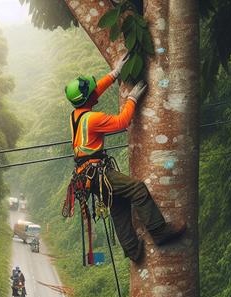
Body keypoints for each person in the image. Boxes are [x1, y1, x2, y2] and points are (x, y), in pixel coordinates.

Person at [65, 52, 186, 262]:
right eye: (93, 91)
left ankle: (132, 249)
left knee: (119, 205)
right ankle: (159, 232)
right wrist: (131, 99)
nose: (97, 91)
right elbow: (122, 122)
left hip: (86, 176)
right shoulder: (93, 119)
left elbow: (93, 92)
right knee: (137, 189)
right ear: (88, 99)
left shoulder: (76, 116)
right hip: (96, 173)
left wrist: (114, 74)